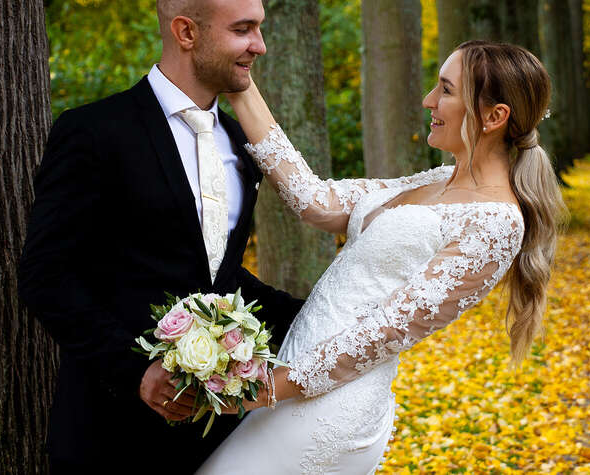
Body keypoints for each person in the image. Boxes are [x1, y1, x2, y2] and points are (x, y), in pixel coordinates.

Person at [197, 40, 567, 473]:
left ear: (494, 116)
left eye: (446, 90)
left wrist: (264, 388)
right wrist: (241, 87)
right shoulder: (436, 180)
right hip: (290, 378)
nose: (429, 100)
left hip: (329, 404)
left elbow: (383, 333)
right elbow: (315, 201)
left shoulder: (496, 222)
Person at [18, 0, 304, 473]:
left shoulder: (241, 145)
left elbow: (217, 274)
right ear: (186, 32)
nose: (259, 45)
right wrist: (134, 371)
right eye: (243, 30)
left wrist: (328, 313)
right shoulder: (94, 132)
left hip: (218, 438)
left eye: (258, 28)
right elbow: (46, 275)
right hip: (109, 436)